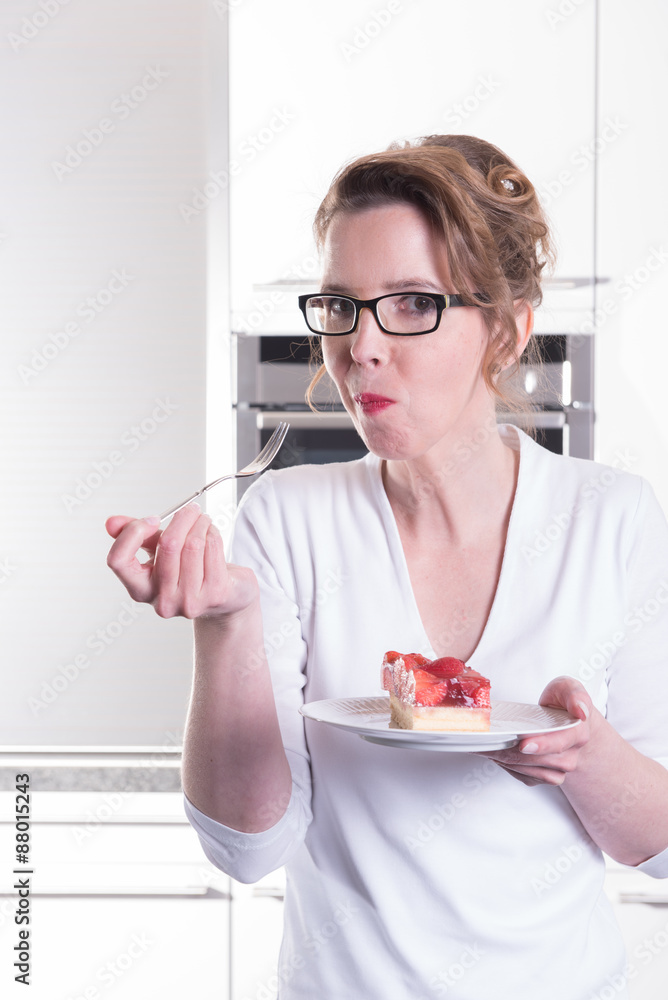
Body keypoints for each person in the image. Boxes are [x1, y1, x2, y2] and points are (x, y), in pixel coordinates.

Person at [106, 134, 668, 1000]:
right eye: (341, 305)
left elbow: (658, 845)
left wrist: (583, 755)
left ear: (510, 328)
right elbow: (246, 847)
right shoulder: (289, 519)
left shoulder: (613, 519)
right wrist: (226, 626)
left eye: (411, 304)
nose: (360, 347)